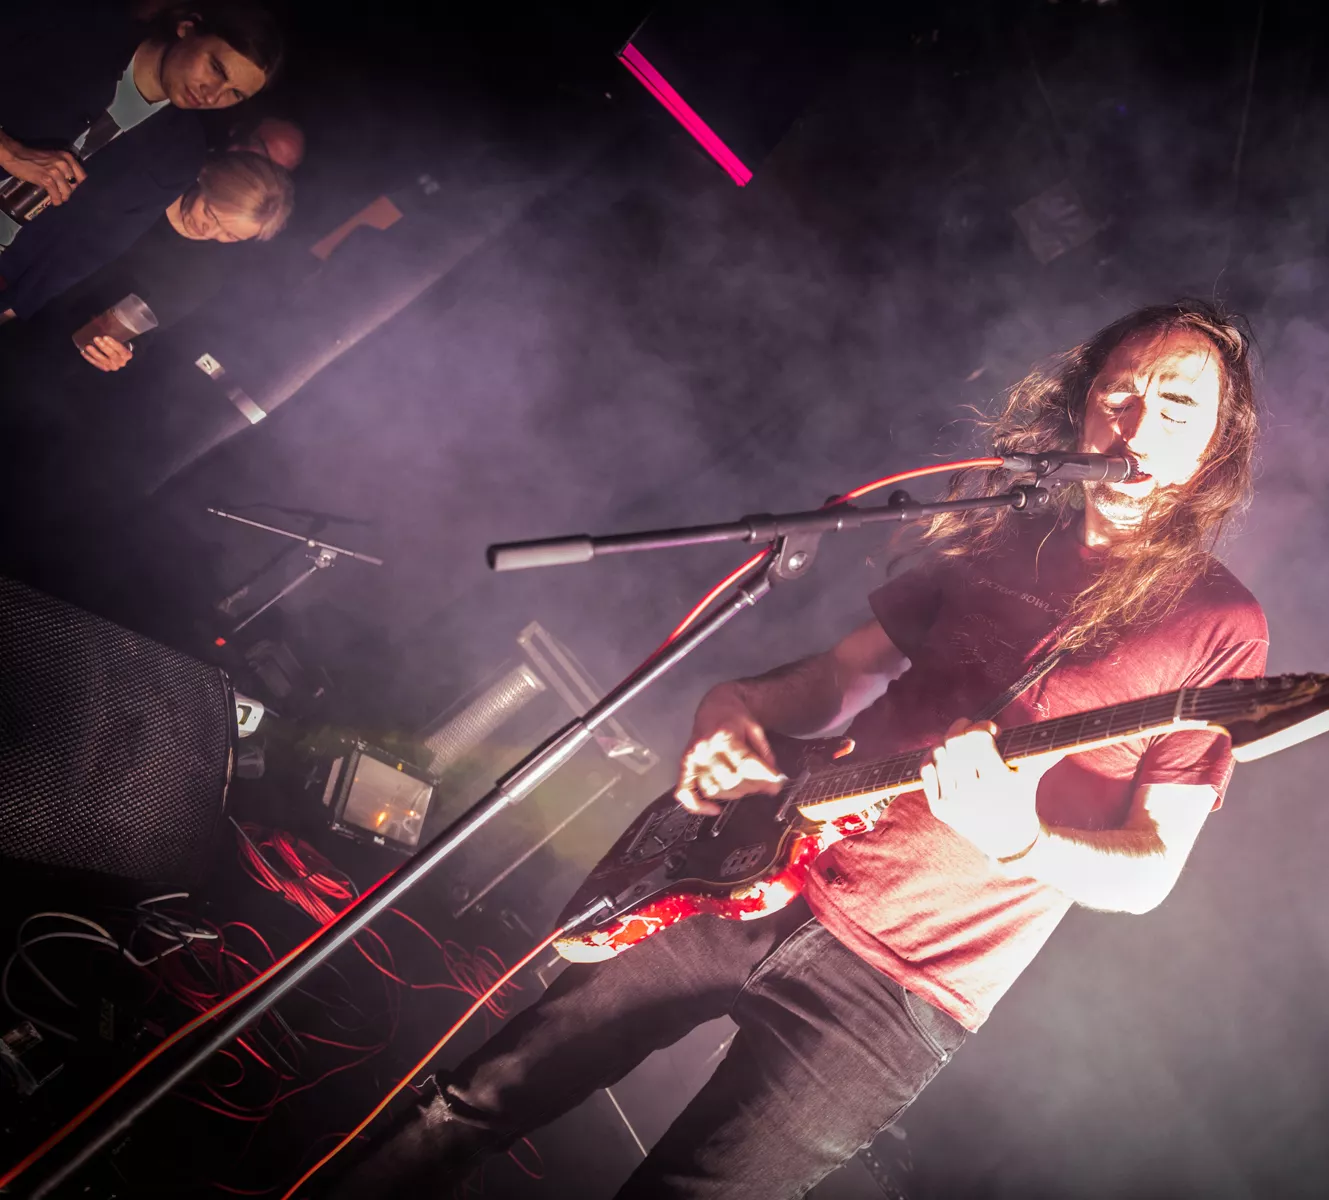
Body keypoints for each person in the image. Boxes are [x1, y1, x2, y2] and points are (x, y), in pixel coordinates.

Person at [328, 299, 1271, 1199]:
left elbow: (1150, 869)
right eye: (1119, 391)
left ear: (1214, 447)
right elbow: (845, 674)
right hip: (755, 865)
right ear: (1084, 404)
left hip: (901, 988)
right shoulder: (1006, 532)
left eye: (1177, 406)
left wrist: (1023, 839)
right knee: (476, 1100)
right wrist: (740, 700)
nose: (1137, 421)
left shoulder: (1219, 624)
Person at [0, 0, 282, 325]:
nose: (212, 94)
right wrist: (9, 152)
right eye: (216, 69)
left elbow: (92, 249)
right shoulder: (75, 28)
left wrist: (11, 309)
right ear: (188, 28)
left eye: (234, 94)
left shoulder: (179, 155)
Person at [72, 147, 294, 371]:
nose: (209, 231)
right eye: (210, 214)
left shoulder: (207, 272)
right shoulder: (152, 182)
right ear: (205, 182)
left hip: (68, 327)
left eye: (230, 236)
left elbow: (145, 331)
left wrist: (123, 350)